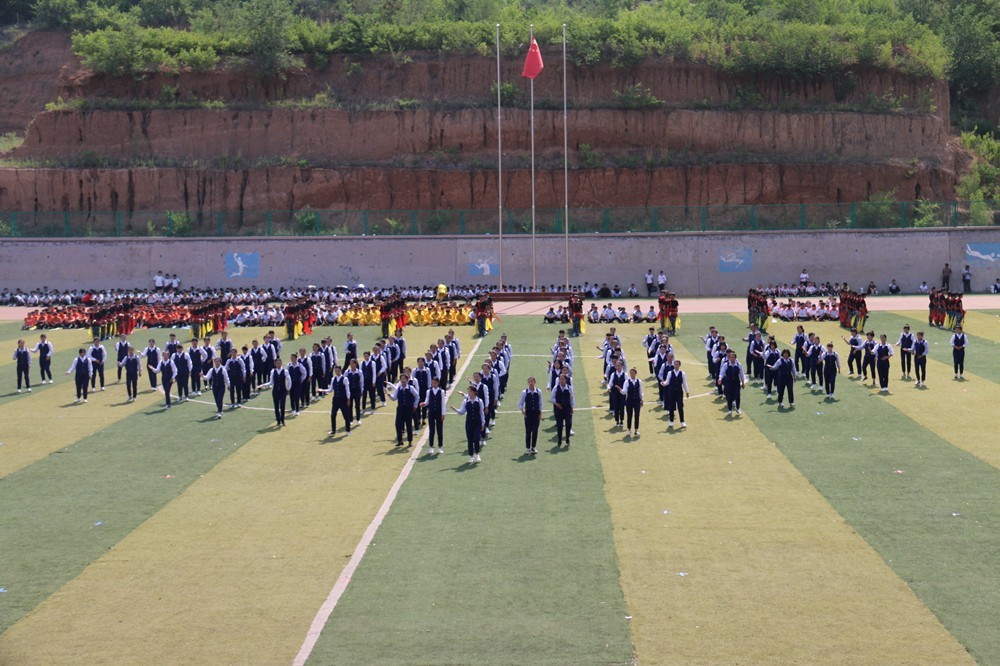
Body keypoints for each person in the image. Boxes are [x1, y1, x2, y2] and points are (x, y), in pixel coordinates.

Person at [453, 385, 485, 463]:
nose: (469, 393)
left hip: (477, 422)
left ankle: (477, 454)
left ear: (474, 392)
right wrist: (455, 409)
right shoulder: (465, 401)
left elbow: (482, 413)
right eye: (468, 391)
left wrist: (483, 423)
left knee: (476, 438)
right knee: (470, 440)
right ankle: (471, 456)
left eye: (470, 391)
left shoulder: (479, 401)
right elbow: (462, 412)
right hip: (469, 423)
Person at [388, 371, 419, 447]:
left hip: (408, 409)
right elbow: (394, 398)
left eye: (404, 378)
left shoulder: (410, 388)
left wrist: (415, 405)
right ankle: (400, 440)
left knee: (408, 425)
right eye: (401, 379)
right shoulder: (398, 389)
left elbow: (417, 396)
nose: (403, 380)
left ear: (407, 380)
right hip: (400, 409)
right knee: (398, 424)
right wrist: (389, 396)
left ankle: (410, 441)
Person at [421, 376, 446, 455]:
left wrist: (443, 414)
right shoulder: (428, 391)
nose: (433, 384)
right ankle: (431, 447)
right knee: (431, 430)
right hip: (431, 413)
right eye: (432, 383)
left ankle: (440, 447)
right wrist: (424, 404)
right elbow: (427, 401)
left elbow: (443, 403)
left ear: (438, 383)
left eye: (435, 383)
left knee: (439, 430)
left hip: (439, 413)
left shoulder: (441, 391)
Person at [519, 376, 543, 454]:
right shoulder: (525, 392)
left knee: (535, 431)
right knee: (528, 431)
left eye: (532, 381)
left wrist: (540, 413)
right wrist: (522, 411)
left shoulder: (538, 391)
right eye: (529, 381)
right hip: (528, 414)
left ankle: (533, 447)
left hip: (536, 414)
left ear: (535, 382)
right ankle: (528, 447)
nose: (531, 383)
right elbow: (521, 403)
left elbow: (540, 403)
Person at [326, 364, 353, 436]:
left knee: (346, 416)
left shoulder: (345, 379)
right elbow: (330, 389)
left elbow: (347, 390)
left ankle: (348, 430)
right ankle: (333, 430)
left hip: (343, 400)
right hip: (335, 400)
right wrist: (322, 390)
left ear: (341, 371)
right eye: (336, 371)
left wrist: (348, 399)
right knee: (333, 415)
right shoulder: (333, 379)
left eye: (338, 371)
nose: (337, 372)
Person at [662, 359, 689, 428]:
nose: (676, 366)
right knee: (671, 407)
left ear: (679, 365)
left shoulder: (682, 373)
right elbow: (667, 382)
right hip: (671, 392)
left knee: (680, 407)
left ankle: (682, 421)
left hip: (679, 392)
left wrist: (687, 391)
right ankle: (671, 421)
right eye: (675, 364)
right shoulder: (670, 373)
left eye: (677, 364)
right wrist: (663, 383)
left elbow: (684, 383)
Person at [719, 350, 746, 416]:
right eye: (730, 357)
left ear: (735, 358)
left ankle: (738, 408)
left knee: (737, 395)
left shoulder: (739, 365)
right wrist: (720, 378)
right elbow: (722, 372)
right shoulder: (726, 364)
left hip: (736, 382)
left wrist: (743, 382)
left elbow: (741, 374)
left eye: (733, 357)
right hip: (728, 382)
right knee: (729, 396)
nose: (732, 358)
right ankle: (730, 410)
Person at [266, 357, 291, 426]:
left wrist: (288, 388)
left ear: (281, 363)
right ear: (275, 364)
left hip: (283, 391)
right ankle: (278, 421)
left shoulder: (285, 371)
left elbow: (289, 380)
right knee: (276, 406)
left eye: (279, 363)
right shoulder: (273, 371)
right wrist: (264, 385)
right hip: (275, 391)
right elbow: (271, 382)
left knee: (282, 405)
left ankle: (282, 420)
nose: (278, 365)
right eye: (277, 363)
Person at [551, 374, 575, 447]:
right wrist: (556, 404)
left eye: (563, 379)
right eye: (560, 379)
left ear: (565, 380)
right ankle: (559, 440)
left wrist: (572, 407)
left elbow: (572, 398)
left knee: (568, 423)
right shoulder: (556, 388)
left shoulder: (569, 388)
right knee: (559, 425)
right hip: (558, 409)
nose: (561, 381)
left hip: (567, 408)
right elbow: (552, 398)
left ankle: (567, 439)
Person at [621, 367, 643, 438]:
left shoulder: (639, 381)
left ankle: (636, 430)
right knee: (629, 415)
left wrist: (642, 399)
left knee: (637, 415)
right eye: (631, 373)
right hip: (629, 401)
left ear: (635, 373)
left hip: (637, 401)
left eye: (633, 373)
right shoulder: (627, 382)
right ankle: (629, 430)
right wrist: (620, 390)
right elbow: (624, 392)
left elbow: (640, 391)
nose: (632, 374)